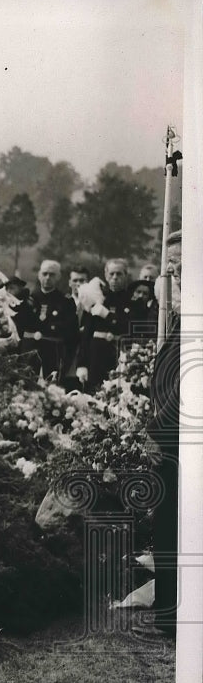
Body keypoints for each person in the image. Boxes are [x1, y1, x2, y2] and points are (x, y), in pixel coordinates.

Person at [139, 230, 181, 638]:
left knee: (172, 526)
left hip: (177, 437)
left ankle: (170, 616)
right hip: (174, 436)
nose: (173, 272)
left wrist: (155, 429)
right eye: (171, 266)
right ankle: (168, 611)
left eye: (180, 265)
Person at [14, 260, 78, 383]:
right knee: (25, 386)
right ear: (39, 275)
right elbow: (19, 326)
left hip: (53, 351)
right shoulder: (28, 299)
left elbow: (71, 330)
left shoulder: (65, 301)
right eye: (45, 274)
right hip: (29, 350)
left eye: (52, 274)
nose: (48, 277)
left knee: (52, 387)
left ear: (58, 277)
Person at [76, 258, 132, 392]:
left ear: (126, 276)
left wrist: (106, 315)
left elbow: (127, 327)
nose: (115, 278)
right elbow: (86, 334)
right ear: (106, 276)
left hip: (119, 356)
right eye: (111, 274)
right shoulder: (98, 298)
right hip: (97, 356)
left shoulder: (131, 300)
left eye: (119, 274)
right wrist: (82, 364)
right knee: (95, 394)